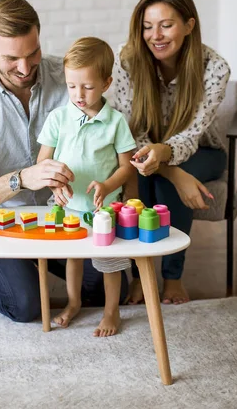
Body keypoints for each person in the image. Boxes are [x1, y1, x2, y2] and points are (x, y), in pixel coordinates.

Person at [0, 0, 124, 322]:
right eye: (11, 58)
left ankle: (32, 265)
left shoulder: (71, 78)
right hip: (4, 222)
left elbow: (110, 146)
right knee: (27, 306)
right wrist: (23, 178)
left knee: (105, 287)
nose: (25, 69)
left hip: (64, 216)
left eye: (33, 54)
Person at [112, 0, 230, 305]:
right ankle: (141, 275)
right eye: (148, 26)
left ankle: (172, 278)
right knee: (144, 176)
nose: (156, 36)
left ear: (189, 26)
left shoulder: (215, 68)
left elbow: (193, 134)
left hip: (204, 151)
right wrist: (172, 172)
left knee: (160, 184)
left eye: (167, 25)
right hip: (144, 150)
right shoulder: (127, 61)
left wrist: (165, 158)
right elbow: (127, 128)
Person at [37, 37, 136, 336]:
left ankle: (111, 312)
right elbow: (44, 162)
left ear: (106, 83)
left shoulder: (116, 122)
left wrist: (107, 186)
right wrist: (54, 185)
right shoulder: (58, 118)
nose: (78, 94)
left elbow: (127, 166)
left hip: (102, 209)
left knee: (109, 263)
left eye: (88, 87)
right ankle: (73, 302)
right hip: (68, 206)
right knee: (73, 258)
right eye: (71, 86)